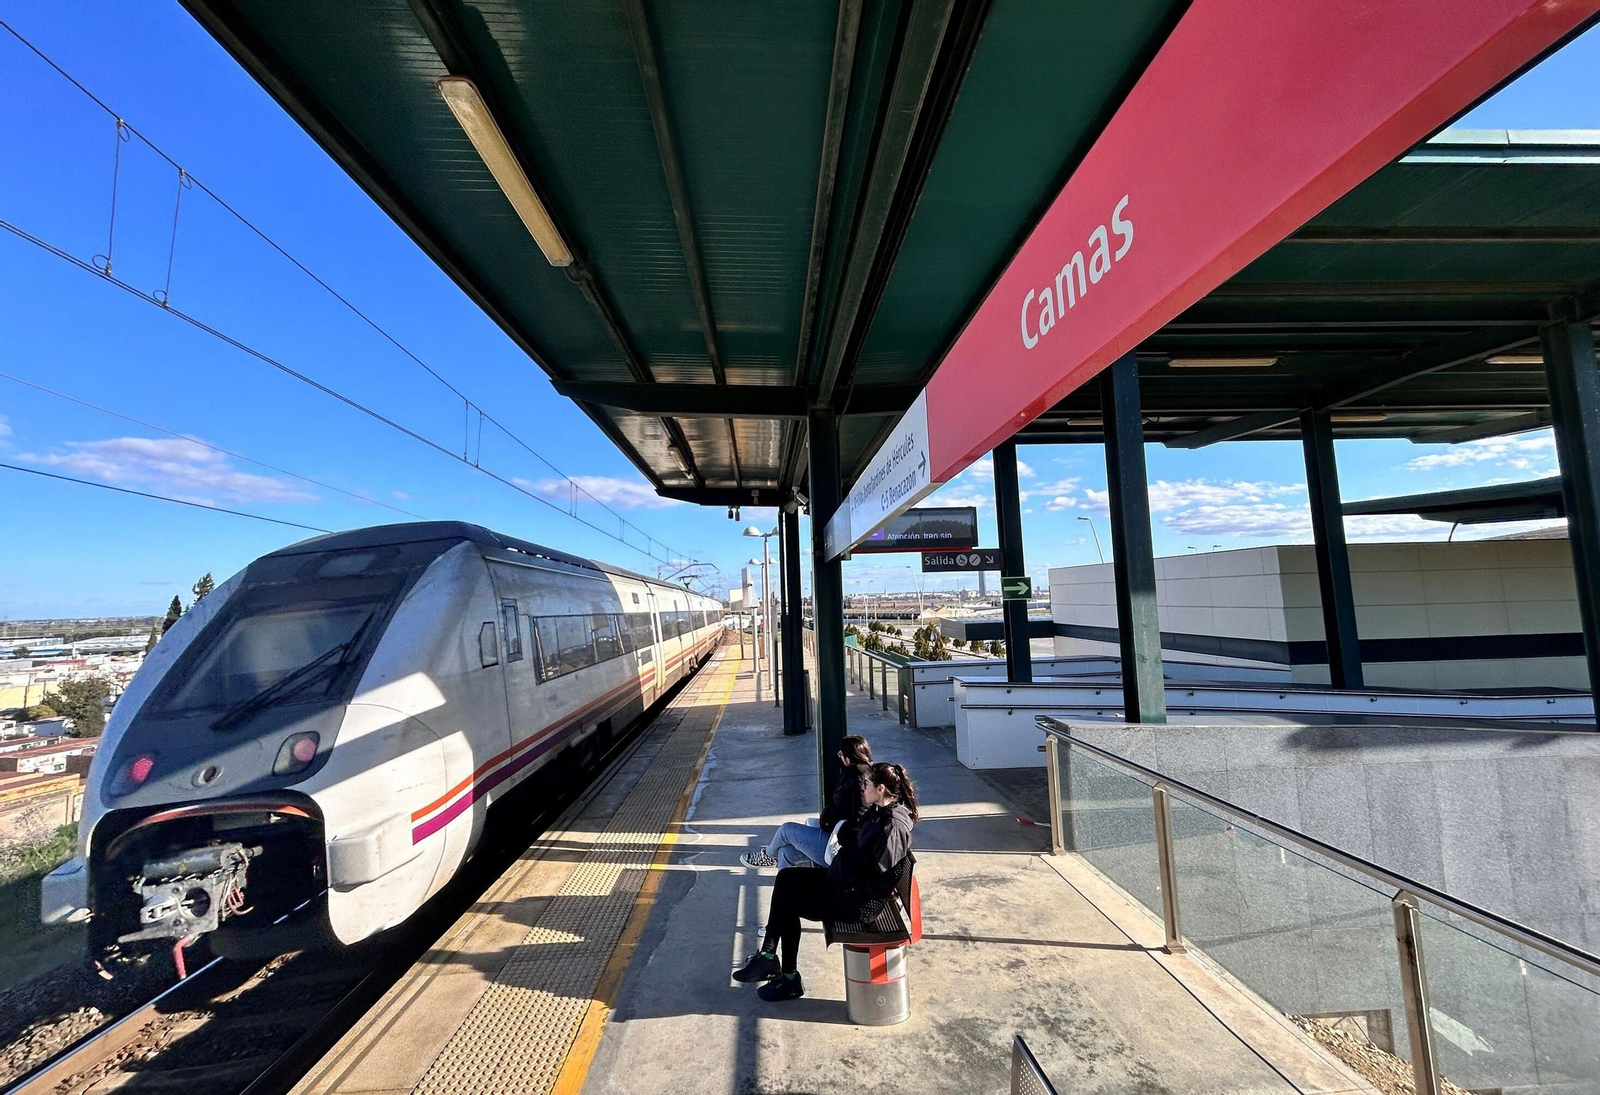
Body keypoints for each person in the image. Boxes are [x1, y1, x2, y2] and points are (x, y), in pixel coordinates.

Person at [732, 762, 919, 1002]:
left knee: (787, 901)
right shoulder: (879, 813)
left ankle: (785, 975)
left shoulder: (892, 826)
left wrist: (844, 866)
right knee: (786, 878)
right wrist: (845, 845)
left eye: (866, 784)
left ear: (881, 789)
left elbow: (879, 880)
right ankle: (770, 959)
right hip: (845, 885)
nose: (862, 788)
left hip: (858, 904)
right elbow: (862, 851)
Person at [739, 735, 872, 870]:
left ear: (848, 758)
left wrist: (830, 824)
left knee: (786, 830)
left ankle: (768, 856)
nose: (839, 757)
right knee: (785, 853)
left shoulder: (860, 781)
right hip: (834, 835)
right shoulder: (856, 774)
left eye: (840, 754)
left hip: (841, 847)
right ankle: (785, 890)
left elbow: (858, 822)